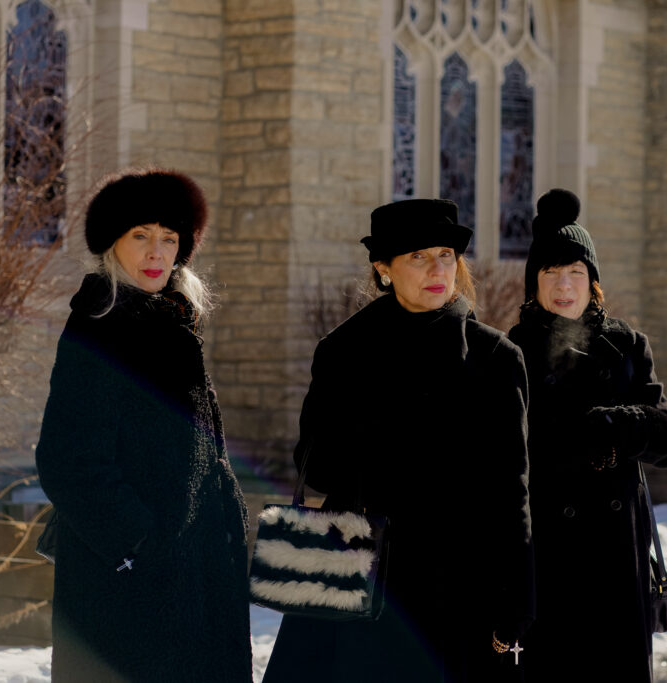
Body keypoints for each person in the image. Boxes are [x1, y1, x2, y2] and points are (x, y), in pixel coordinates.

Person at [262, 199, 535, 683]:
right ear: (383, 269)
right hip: (359, 579)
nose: (438, 269)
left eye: (446, 255)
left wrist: (516, 596)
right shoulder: (343, 351)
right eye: (418, 257)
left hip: (457, 586)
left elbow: (510, 489)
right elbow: (317, 468)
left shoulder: (496, 358)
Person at [35, 168, 252, 682]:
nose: (157, 253)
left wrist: (225, 520)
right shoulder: (101, 325)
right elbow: (68, 460)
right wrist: (137, 544)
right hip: (130, 585)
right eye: (141, 236)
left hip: (193, 573)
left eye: (169, 239)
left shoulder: (170, 320)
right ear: (114, 243)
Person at [507, 189, 667, 682]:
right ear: (534, 283)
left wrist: (617, 425)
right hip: (549, 563)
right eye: (551, 273)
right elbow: (510, 460)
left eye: (576, 273)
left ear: (594, 281)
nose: (564, 286)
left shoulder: (628, 346)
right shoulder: (511, 353)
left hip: (619, 564)